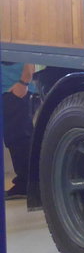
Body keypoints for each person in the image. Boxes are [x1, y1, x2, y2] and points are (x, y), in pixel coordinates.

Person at [2, 60, 35, 200]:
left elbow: (29, 52)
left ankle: (27, 185)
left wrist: (24, 82)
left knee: (19, 138)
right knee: (13, 138)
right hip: (9, 88)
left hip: (16, 89)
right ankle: (25, 183)